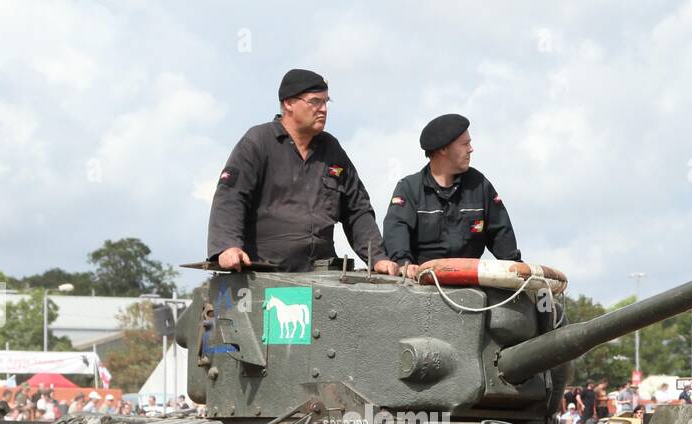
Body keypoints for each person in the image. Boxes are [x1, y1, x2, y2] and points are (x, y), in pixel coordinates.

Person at [207, 69, 397, 275]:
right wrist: (227, 247)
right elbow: (231, 197)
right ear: (289, 103)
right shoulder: (258, 142)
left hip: (322, 275)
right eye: (315, 102)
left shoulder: (331, 149)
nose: (323, 109)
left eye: (326, 102)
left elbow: (357, 210)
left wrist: (378, 258)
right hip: (267, 273)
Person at [382, 114, 521, 274]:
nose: (471, 149)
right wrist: (403, 264)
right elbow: (396, 230)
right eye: (465, 144)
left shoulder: (479, 185)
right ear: (443, 149)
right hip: (421, 286)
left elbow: (501, 234)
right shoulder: (410, 189)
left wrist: (516, 269)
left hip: (471, 287)